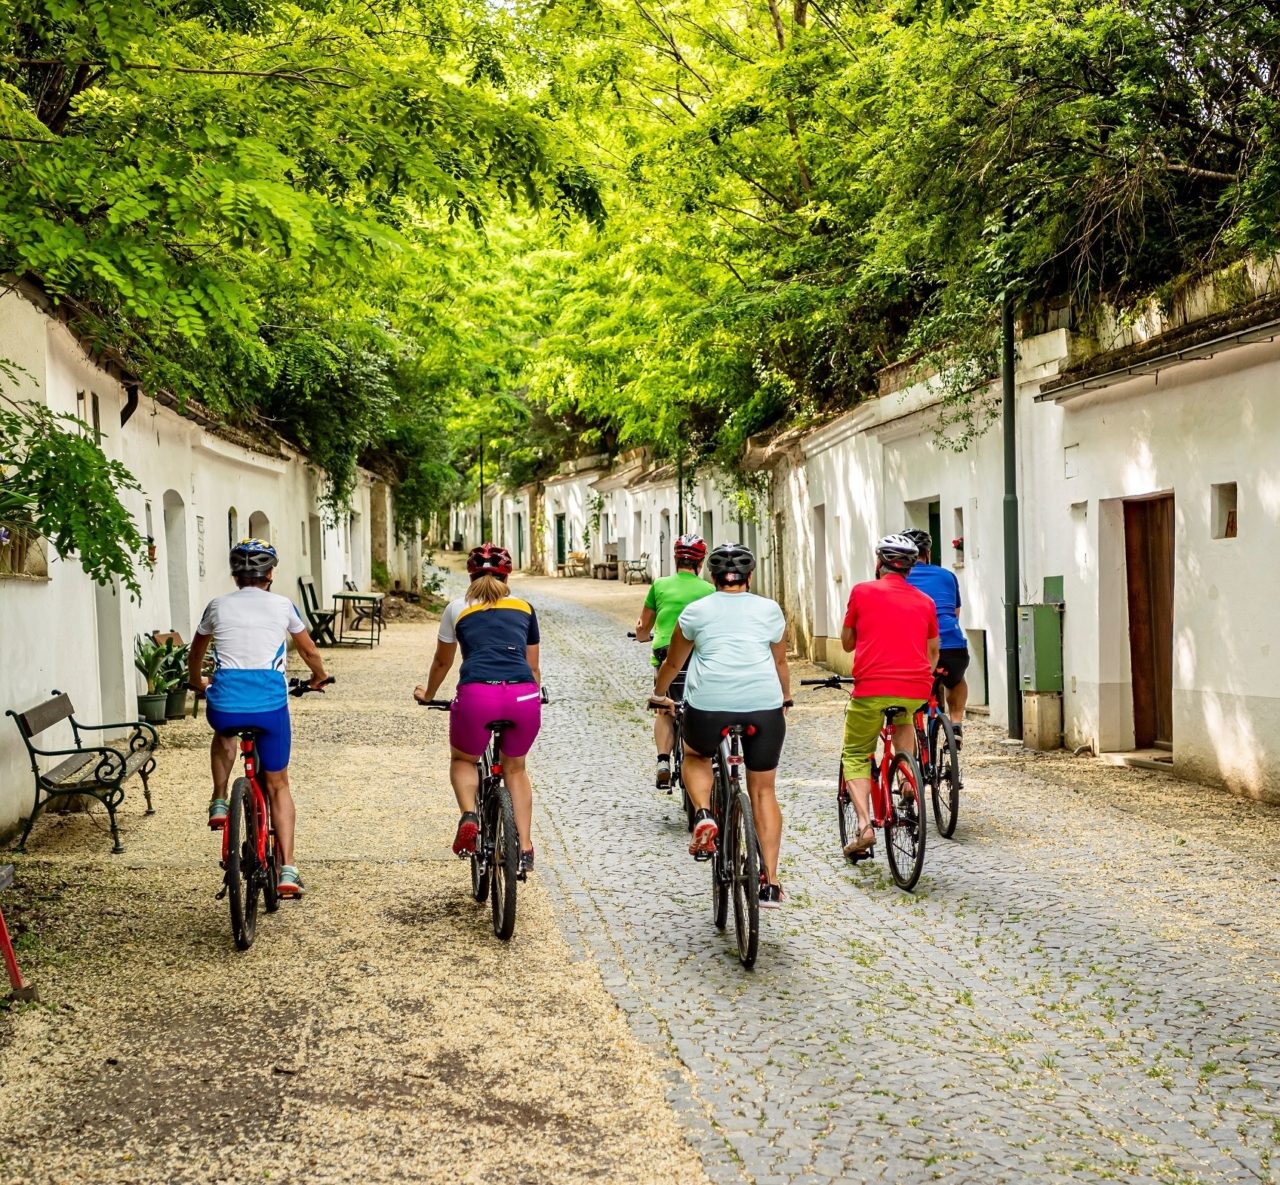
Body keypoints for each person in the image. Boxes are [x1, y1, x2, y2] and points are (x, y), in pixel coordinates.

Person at [649, 542, 792, 907]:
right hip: (764, 706)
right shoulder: (770, 609)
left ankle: (703, 815)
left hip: (709, 706)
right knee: (763, 790)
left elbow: (674, 663)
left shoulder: (696, 611)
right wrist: (785, 699)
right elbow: (780, 664)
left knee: (695, 755)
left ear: (711, 577)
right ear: (750, 576)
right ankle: (771, 882)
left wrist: (660, 694)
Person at [187, 538, 331, 899]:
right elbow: (309, 649)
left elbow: (196, 652)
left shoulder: (217, 606)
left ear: (235, 576)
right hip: (269, 702)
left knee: (223, 731)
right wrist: (318, 678)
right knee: (279, 783)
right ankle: (287, 869)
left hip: (227, 700)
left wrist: (197, 682)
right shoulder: (283, 606)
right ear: (270, 574)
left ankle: (220, 798)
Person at [414, 543, 542, 876]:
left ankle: (470, 814)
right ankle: (525, 848)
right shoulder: (525, 608)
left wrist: (428, 694)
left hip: (476, 696)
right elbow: (533, 666)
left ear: (470, 574)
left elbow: (443, 661)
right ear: (507, 574)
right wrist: (534, 694)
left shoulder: (457, 608)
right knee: (516, 769)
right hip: (523, 697)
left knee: (463, 760)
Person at [839, 534, 939, 856]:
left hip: (871, 689)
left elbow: (847, 642)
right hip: (914, 688)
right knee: (904, 716)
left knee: (855, 753)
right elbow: (933, 651)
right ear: (910, 569)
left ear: (879, 563)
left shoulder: (862, 592)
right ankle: (908, 779)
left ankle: (865, 827)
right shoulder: (926, 602)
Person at [633, 534, 714, 788]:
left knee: (664, 708)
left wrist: (642, 635)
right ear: (700, 563)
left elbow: (643, 627)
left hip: (665, 653)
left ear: (676, 559)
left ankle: (663, 762)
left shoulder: (659, 585)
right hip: (697, 654)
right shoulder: (710, 590)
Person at [903, 528, 969, 747]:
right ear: (927, 553)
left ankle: (911, 748)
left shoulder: (902, 579)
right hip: (952, 645)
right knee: (956, 680)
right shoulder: (948, 575)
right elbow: (955, 614)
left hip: (916, 648)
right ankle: (956, 723)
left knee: (908, 693)